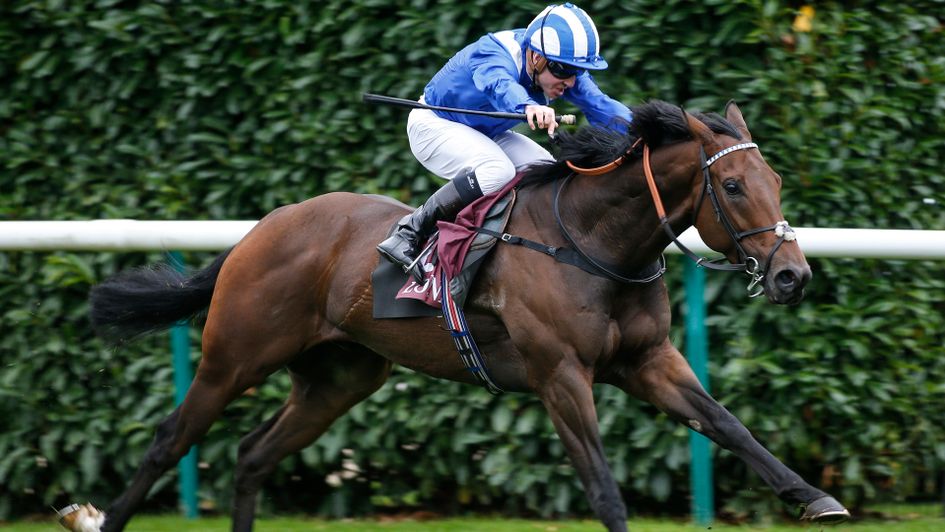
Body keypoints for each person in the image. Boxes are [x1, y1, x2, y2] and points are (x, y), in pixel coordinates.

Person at [377, 3, 633, 281]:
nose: (570, 81)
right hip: (433, 125)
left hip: (485, 132)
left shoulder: (557, 67)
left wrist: (647, 132)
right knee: (496, 170)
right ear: (535, 58)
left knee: (546, 172)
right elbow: (499, 84)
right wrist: (525, 105)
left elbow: (602, 106)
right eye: (563, 70)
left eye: (577, 72)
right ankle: (409, 232)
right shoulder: (495, 53)